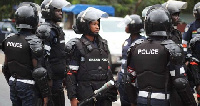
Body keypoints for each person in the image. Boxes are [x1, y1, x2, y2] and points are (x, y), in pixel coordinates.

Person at [127, 5, 197, 106]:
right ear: (167, 24)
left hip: (141, 99)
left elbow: (128, 79)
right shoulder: (171, 48)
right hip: (163, 100)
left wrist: (133, 102)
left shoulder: (135, 47)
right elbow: (180, 82)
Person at [65, 7, 117, 106]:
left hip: (104, 92)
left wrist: (113, 88)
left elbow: (108, 69)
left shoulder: (103, 44)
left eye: (98, 24)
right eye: (94, 24)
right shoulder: (77, 45)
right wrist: (72, 97)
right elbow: (70, 74)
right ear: (85, 25)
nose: (97, 27)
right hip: (85, 92)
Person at [2, 2, 50, 106]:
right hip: (28, 86)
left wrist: (13, 82)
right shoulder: (34, 41)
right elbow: (39, 72)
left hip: (13, 83)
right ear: (34, 20)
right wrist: (45, 95)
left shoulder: (8, 39)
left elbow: (5, 67)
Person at [36, 0, 71, 105]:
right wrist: (48, 79)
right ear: (49, 11)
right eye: (57, 11)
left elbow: (60, 55)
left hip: (58, 78)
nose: (61, 13)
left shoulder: (56, 29)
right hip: (51, 81)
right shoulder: (46, 30)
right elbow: (43, 58)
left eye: (61, 10)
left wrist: (64, 74)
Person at [116, 14, 145, 106]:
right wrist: (118, 79)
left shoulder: (143, 42)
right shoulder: (126, 41)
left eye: (127, 25)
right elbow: (124, 62)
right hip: (123, 80)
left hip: (135, 81)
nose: (125, 27)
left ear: (133, 26)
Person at [182, 2, 200, 104]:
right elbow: (184, 43)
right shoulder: (191, 26)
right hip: (195, 60)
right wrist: (187, 57)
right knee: (198, 85)